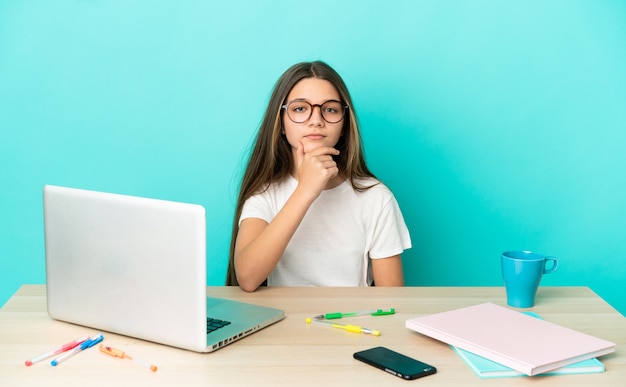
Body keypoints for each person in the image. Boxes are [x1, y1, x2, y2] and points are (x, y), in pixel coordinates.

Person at [226, 61, 411, 292]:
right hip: (285, 326)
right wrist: (305, 190)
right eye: (300, 109)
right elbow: (247, 277)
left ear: (344, 125)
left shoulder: (375, 197)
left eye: (330, 109)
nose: (316, 120)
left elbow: (392, 299)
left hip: (353, 325)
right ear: (281, 123)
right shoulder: (265, 195)